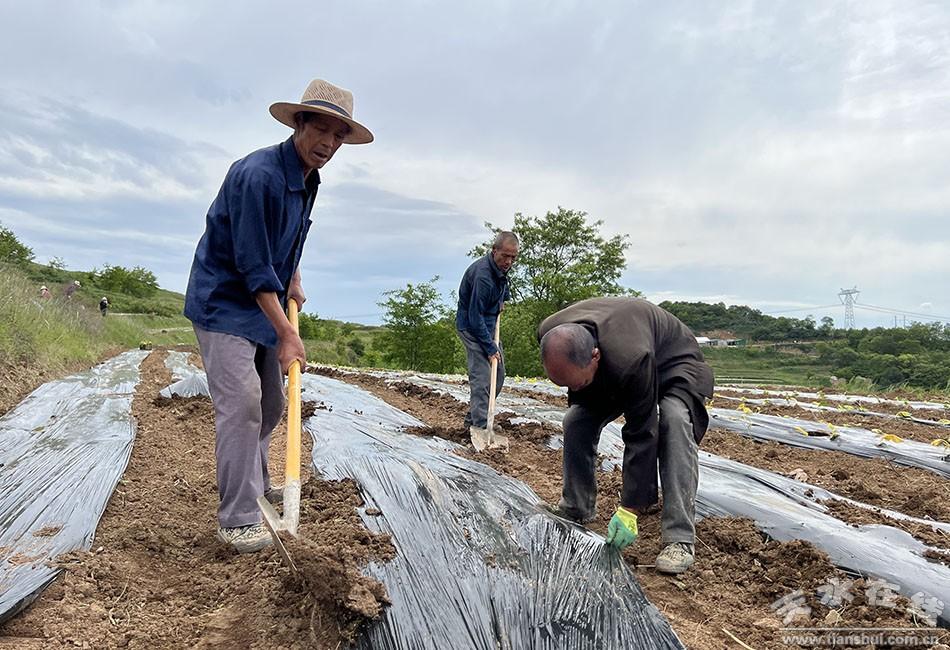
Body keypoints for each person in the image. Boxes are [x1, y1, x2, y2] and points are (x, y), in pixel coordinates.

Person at [184, 78, 373, 553]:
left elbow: (284, 241)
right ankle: (237, 518)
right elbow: (251, 263)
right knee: (243, 405)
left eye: (338, 137)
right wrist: (287, 332)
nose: (328, 144)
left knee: (270, 405)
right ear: (299, 123)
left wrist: (293, 277)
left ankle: (257, 485)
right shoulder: (259, 175)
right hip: (224, 302)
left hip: (263, 299)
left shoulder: (307, 179)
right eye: (321, 131)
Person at [537, 297, 714, 574]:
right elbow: (582, 386)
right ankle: (576, 507)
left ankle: (679, 538)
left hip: (673, 363)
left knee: (674, 421)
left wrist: (629, 508)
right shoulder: (551, 332)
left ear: (594, 355)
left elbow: (642, 432)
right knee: (576, 420)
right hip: (614, 367)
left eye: (578, 382)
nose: (574, 389)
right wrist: (581, 384)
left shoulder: (630, 357)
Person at [456, 232, 518, 451]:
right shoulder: (482, 275)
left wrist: (501, 300)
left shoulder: (501, 270)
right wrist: (490, 347)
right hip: (472, 328)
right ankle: (480, 427)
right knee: (482, 377)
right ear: (494, 251)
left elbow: (502, 289)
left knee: (498, 376)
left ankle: (472, 418)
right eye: (505, 256)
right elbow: (474, 317)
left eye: (513, 257)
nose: (509, 262)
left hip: (490, 327)